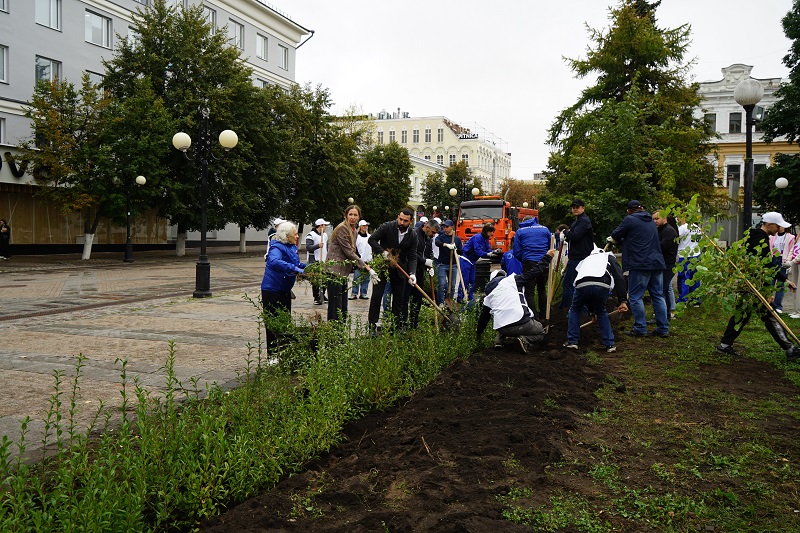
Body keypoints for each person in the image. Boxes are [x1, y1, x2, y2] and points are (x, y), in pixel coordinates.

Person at [716, 212, 800, 362]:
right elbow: (765, 266)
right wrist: (770, 288)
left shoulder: (754, 235)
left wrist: (784, 280)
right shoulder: (759, 238)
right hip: (756, 285)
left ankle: (724, 344)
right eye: (777, 226)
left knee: (742, 314)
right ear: (769, 224)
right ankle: (790, 348)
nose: (779, 229)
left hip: (750, 283)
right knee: (770, 316)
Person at [609, 200, 669, 338]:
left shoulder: (630, 219)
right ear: (642, 209)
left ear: (629, 211)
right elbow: (638, 239)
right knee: (658, 296)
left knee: (636, 297)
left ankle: (640, 328)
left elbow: (615, 234)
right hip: (656, 262)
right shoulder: (649, 220)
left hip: (641, 263)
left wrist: (614, 239)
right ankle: (663, 328)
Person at [476, 250, 554, 354]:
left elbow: (483, 319)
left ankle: (498, 341)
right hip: (522, 323)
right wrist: (547, 258)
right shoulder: (513, 281)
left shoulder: (489, 295)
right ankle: (524, 340)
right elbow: (533, 272)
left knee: (500, 313)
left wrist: (478, 335)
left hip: (503, 329)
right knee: (541, 333)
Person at [563, 248, 628, 352]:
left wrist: (592, 313)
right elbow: (619, 277)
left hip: (581, 284)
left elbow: (587, 288)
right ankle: (610, 344)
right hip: (601, 284)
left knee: (575, 309)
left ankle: (572, 341)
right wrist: (623, 301)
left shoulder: (585, 260)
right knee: (601, 311)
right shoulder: (609, 257)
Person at [368, 207, 419, 331]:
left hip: (400, 268)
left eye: (405, 221)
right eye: (400, 219)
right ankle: (372, 325)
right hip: (383, 266)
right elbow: (372, 240)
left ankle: (395, 326)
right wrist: (382, 252)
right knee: (377, 295)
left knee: (399, 298)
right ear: (398, 217)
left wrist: (412, 273)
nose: (401, 223)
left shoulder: (412, 235)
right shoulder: (387, 227)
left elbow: (412, 256)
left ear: (411, 221)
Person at [261, 222, 305, 351]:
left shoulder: (291, 246)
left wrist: (308, 267)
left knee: (285, 324)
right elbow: (274, 262)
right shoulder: (277, 247)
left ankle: (283, 354)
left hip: (284, 290)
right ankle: (273, 356)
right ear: (286, 236)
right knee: (273, 325)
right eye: (295, 234)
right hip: (272, 291)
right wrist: (295, 269)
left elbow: (296, 263)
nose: (297, 236)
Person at [326, 205, 373, 321]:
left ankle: (340, 331)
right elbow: (348, 251)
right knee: (335, 305)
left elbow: (354, 250)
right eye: (350, 214)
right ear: (346, 215)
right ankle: (333, 332)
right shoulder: (342, 228)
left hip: (343, 272)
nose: (352, 217)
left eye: (355, 215)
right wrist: (364, 266)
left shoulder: (354, 231)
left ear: (359, 217)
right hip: (334, 270)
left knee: (343, 306)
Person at [513, 215, 552, 318]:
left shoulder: (520, 231)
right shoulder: (545, 229)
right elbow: (550, 247)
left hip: (529, 262)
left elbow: (516, 251)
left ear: (524, 221)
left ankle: (534, 318)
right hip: (544, 261)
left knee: (529, 292)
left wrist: (525, 258)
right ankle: (544, 316)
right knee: (542, 289)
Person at [560, 199, 594, 309]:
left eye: (577, 207)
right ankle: (577, 308)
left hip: (581, 257)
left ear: (583, 208)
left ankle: (568, 308)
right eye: (573, 207)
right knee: (576, 284)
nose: (575, 209)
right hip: (576, 256)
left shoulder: (584, 221)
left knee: (570, 284)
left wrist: (565, 232)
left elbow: (575, 236)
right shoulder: (577, 221)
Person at [409, 219, 440, 328]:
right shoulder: (415, 235)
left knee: (417, 298)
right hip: (409, 272)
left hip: (420, 271)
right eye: (433, 232)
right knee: (406, 297)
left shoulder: (428, 239)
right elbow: (411, 254)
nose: (433, 235)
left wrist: (428, 266)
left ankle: (414, 322)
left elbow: (428, 253)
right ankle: (402, 323)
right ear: (427, 228)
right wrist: (424, 261)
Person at [460, 223, 498, 302]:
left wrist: (494, 252)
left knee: (472, 280)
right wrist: (488, 254)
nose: (492, 234)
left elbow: (487, 249)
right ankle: (460, 298)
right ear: (486, 231)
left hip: (473, 260)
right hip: (466, 258)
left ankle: (470, 298)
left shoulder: (485, 240)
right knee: (465, 279)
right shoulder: (477, 237)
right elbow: (478, 251)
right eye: (490, 232)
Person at [652, 211, 678, 320]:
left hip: (667, 265)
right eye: (653, 219)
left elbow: (661, 247)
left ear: (664, 218)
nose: (655, 221)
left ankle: (661, 316)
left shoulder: (669, 231)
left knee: (659, 291)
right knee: (665, 290)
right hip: (662, 264)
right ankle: (665, 315)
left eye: (657, 219)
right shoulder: (660, 230)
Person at [434, 220, 463, 304]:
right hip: (442, 264)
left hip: (453, 265)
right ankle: (441, 303)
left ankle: (449, 303)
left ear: (452, 227)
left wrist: (456, 248)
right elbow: (437, 242)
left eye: (447, 227)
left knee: (452, 286)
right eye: (444, 227)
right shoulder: (441, 237)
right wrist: (446, 245)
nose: (445, 229)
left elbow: (461, 252)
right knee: (442, 284)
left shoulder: (456, 239)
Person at [770, 224, 795, 313]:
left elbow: (791, 249)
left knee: (781, 284)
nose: (779, 227)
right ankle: (768, 303)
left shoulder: (790, 237)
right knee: (771, 282)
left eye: (781, 226)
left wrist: (788, 261)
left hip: (783, 259)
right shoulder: (772, 236)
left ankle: (778, 306)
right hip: (773, 259)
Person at [677, 219, 701, 305]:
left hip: (685, 255)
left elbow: (676, 238)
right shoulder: (697, 227)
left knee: (684, 278)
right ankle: (696, 300)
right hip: (696, 254)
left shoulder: (683, 228)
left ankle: (683, 300)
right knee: (695, 278)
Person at [305, 218, 329, 305]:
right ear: (320, 226)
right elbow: (308, 248)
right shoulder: (310, 235)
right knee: (316, 281)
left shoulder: (325, 235)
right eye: (324, 225)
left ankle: (323, 294)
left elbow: (326, 247)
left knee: (325, 280)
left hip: (324, 260)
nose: (325, 226)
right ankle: (316, 297)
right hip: (315, 260)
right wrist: (318, 246)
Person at [350, 220, 372, 300]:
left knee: (366, 278)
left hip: (368, 260)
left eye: (366, 226)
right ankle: (354, 293)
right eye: (363, 226)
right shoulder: (356, 237)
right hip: (359, 260)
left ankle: (363, 293)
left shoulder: (370, 237)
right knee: (357, 277)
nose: (365, 227)